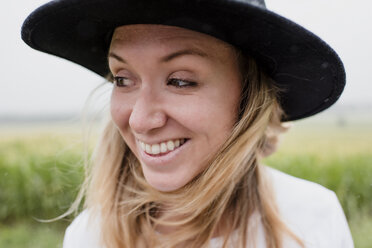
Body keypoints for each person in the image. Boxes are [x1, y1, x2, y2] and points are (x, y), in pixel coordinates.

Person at [21, 0, 354, 247]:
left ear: (248, 97)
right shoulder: (89, 238)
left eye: (179, 81)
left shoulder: (311, 220)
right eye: (123, 79)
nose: (140, 120)